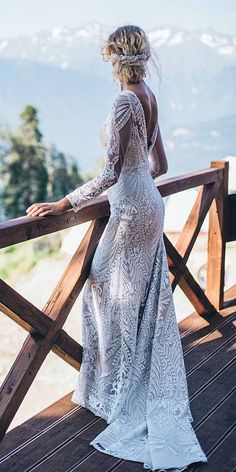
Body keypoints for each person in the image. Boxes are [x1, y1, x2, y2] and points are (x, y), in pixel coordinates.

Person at [26, 24, 208, 472]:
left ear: (116, 57)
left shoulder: (125, 100)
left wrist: (62, 203)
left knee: (104, 288)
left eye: (108, 57)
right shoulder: (148, 94)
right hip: (149, 202)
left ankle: (114, 390)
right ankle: (119, 383)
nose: (107, 65)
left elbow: (109, 174)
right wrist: (138, 176)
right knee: (136, 293)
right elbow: (160, 165)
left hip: (129, 207)